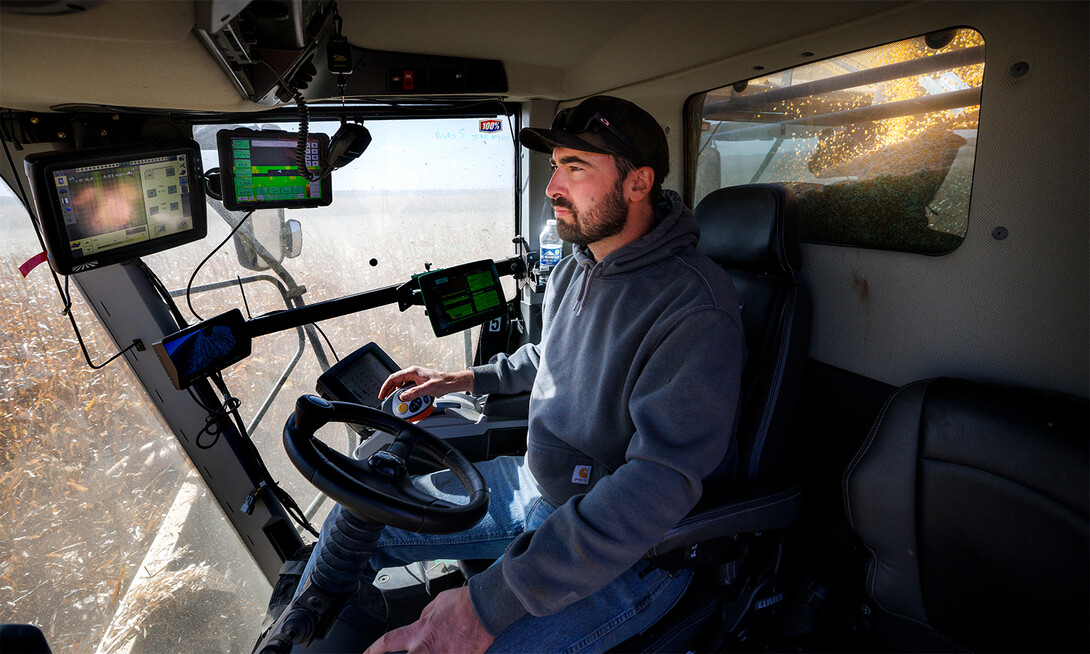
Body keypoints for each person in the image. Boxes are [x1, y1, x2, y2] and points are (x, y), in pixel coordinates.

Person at [307, 95, 747, 654]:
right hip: (534, 487)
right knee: (357, 524)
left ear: (639, 184)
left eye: (576, 168)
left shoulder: (694, 306)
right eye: (556, 165)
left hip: (633, 551)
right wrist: (461, 378)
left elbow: (658, 482)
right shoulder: (577, 268)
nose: (552, 187)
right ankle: (293, 631)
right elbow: (551, 358)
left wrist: (486, 604)